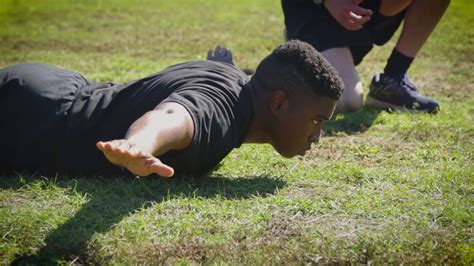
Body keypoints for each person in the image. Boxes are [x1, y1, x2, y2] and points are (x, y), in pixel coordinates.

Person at [0, 40, 343, 178]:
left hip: (52, 88)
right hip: (31, 120)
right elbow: (174, 117)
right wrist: (140, 145)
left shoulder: (236, 81)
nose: (317, 136)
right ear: (279, 102)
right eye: (316, 120)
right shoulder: (223, 113)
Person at [282, 0, 450, 113]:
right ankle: (297, 55)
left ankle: (393, 79)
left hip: (368, 5)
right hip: (315, 9)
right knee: (345, 99)